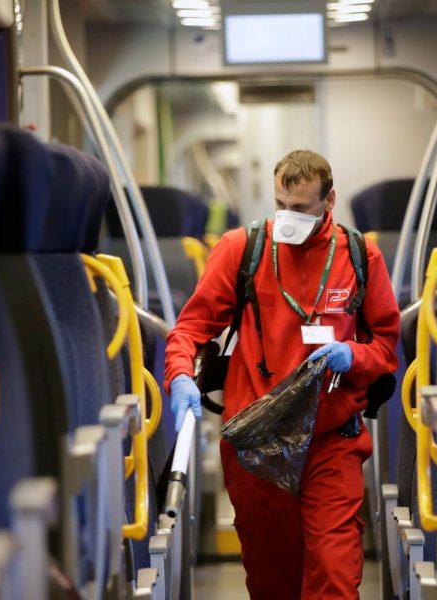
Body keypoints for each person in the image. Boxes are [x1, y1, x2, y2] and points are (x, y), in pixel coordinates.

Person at [164, 149, 400, 599]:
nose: (287, 217)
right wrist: (178, 375)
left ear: (329, 201)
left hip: (331, 440)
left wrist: (353, 355)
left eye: (301, 208)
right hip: (257, 443)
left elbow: (386, 345)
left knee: (334, 574)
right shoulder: (242, 250)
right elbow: (191, 328)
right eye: (280, 206)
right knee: (273, 581)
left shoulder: (359, 255)